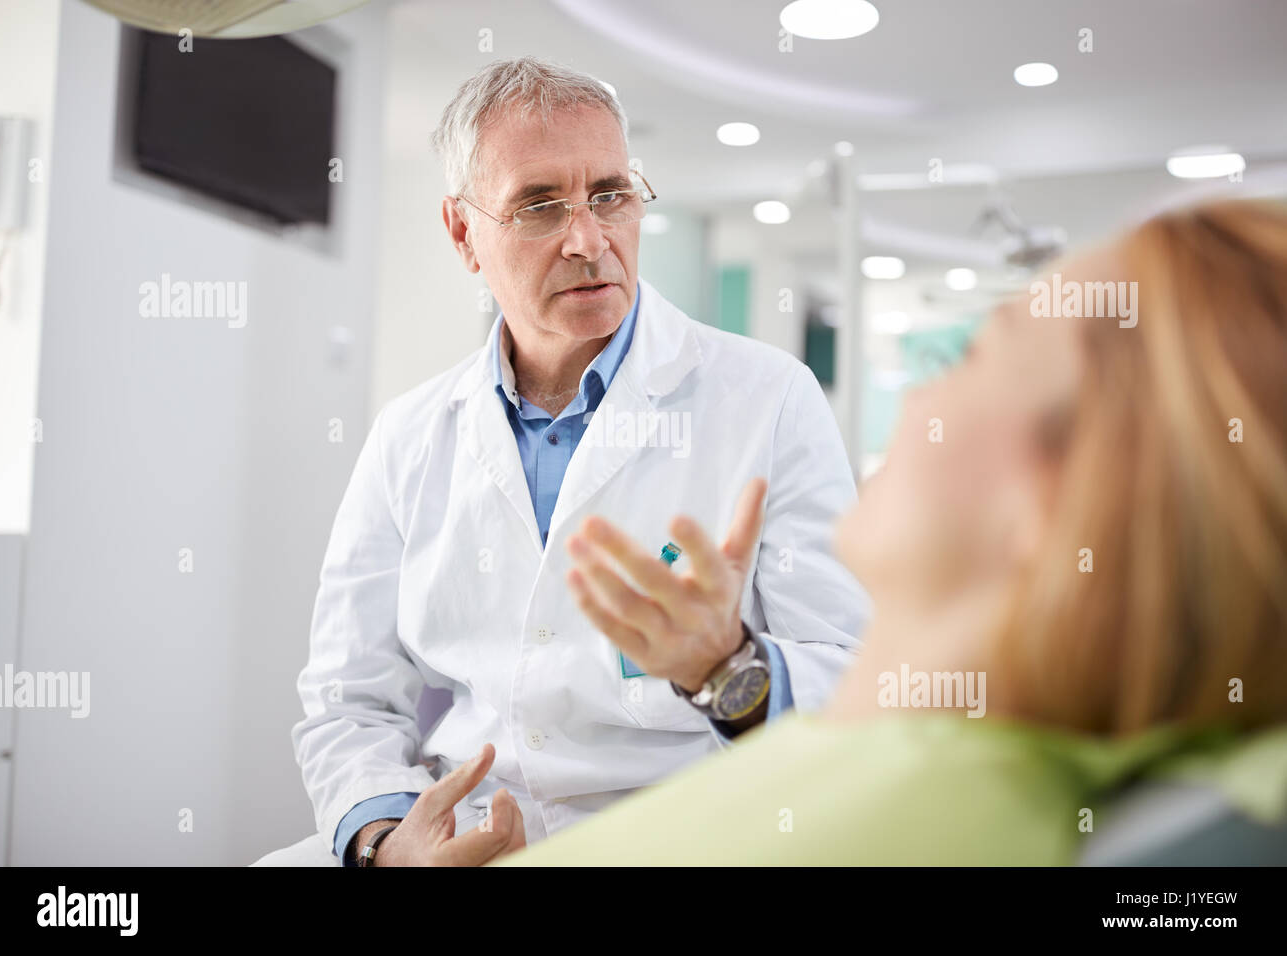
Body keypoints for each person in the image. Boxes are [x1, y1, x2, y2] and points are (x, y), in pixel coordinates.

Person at [496, 198, 1287, 865]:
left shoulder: (898, 820)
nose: (919, 399)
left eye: (980, 354)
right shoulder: (956, 763)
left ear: (1066, 498)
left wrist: (732, 668)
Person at [254, 57, 868, 867]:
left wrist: (730, 666)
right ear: (463, 233)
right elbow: (349, 698)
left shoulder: (769, 399)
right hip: (467, 830)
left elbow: (853, 674)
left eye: (610, 194)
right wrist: (384, 841)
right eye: (540, 206)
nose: (590, 239)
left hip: (686, 835)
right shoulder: (408, 436)